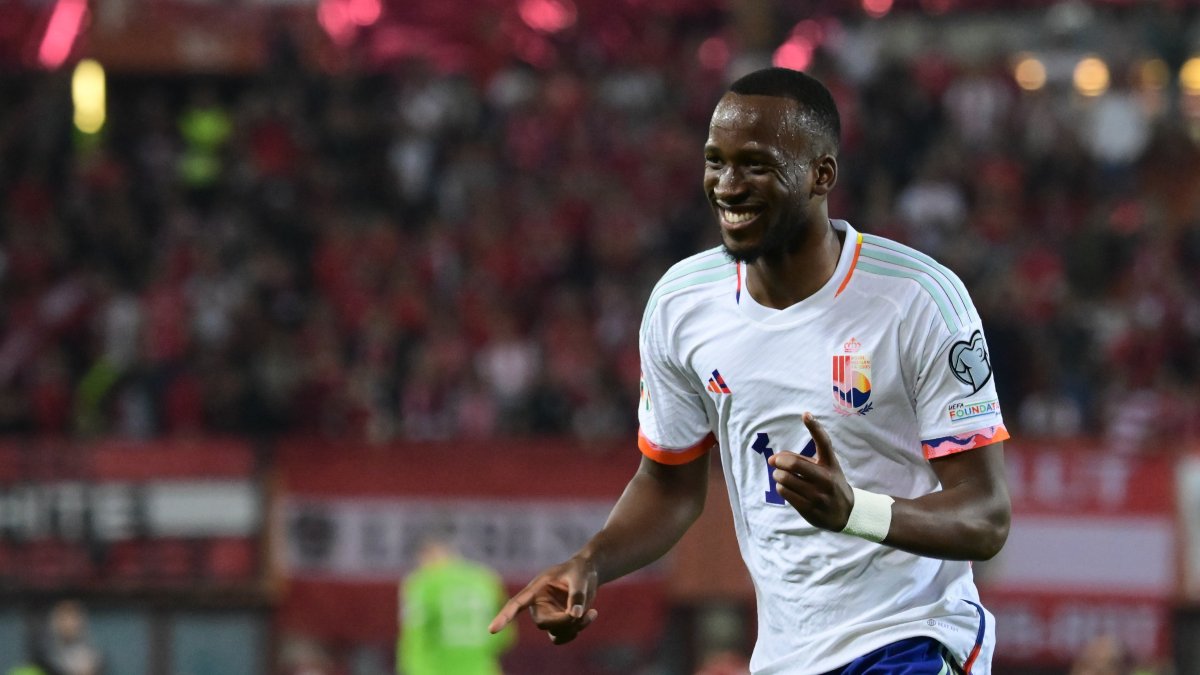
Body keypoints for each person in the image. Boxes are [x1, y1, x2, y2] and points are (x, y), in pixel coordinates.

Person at [489, 67, 1011, 674]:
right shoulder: (683, 304)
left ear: (823, 174)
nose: (728, 186)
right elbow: (668, 485)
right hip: (786, 655)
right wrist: (592, 561)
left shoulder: (918, 299)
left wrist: (854, 511)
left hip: (911, 637)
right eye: (716, 162)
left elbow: (985, 514)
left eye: (756, 164)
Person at [398, 532, 515, 675]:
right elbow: (505, 635)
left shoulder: (424, 582)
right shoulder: (485, 578)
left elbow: (415, 635)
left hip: (436, 670)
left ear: (426, 555)